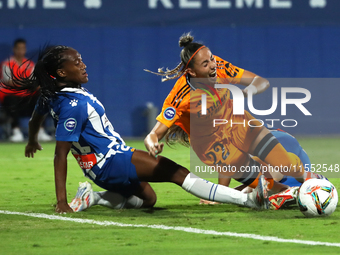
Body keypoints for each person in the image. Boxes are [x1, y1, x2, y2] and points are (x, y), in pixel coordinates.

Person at [1, 45, 270, 214]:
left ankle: (93, 197)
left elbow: (38, 111)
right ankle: (247, 201)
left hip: (96, 168)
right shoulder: (74, 105)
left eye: (81, 59)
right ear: (61, 73)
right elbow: (60, 155)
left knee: (148, 200)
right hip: (112, 161)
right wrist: (61, 202)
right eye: (77, 62)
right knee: (178, 173)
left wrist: (32, 139)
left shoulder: (55, 96)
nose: (83, 64)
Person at [144, 33, 310, 192]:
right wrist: (152, 145)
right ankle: (269, 191)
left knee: (286, 165)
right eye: (205, 64)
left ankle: (313, 183)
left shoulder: (220, 67)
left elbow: (261, 82)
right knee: (268, 186)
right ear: (192, 73)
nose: (212, 65)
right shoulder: (180, 97)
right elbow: (153, 135)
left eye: (211, 59)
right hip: (212, 146)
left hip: (239, 123)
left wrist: (250, 90)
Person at [0, 38, 52, 142]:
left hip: (27, 97)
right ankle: (16, 131)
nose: (20, 51)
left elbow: (35, 82)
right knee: (11, 100)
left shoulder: (30, 64)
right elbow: (10, 82)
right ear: (14, 49)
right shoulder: (6, 64)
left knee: (42, 97)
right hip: (11, 97)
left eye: (23, 48)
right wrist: (28, 83)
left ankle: (40, 131)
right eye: (18, 48)